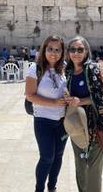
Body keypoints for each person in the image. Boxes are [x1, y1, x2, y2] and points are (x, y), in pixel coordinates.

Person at [64, 35, 103, 192]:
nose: (76, 53)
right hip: (76, 127)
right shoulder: (68, 71)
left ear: (86, 52)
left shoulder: (92, 69)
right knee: (80, 167)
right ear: (68, 52)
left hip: (94, 127)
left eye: (80, 49)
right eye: (73, 49)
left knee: (93, 171)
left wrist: (79, 101)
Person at [25, 36, 67, 192]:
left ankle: (52, 187)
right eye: (50, 49)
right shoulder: (35, 69)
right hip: (43, 121)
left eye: (57, 50)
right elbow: (30, 95)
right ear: (44, 50)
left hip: (62, 122)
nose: (53, 53)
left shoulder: (64, 68)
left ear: (62, 52)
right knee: (47, 157)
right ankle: (39, 189)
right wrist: (54, 103)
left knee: (58, 156)